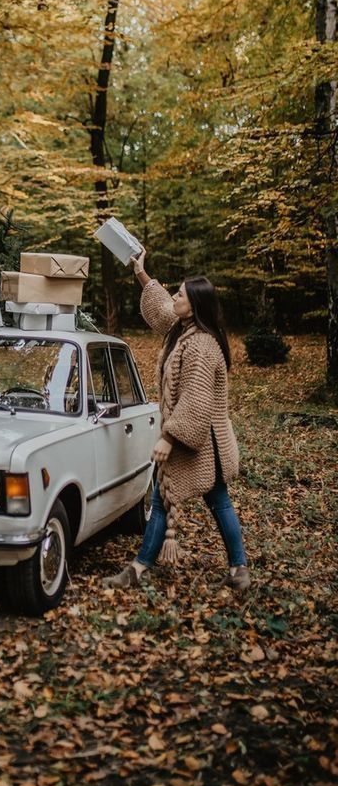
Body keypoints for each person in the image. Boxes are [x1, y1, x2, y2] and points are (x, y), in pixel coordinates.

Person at [103, 249, 250, 591]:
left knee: (202, 499)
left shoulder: (201, 345)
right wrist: (141, 272)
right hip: (195, 439)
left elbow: (195, 400)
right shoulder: (183, 329)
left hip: (202, 443)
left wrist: (168, 438)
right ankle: (143, 568)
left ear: (194, 305)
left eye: (180, 294)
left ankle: (142, 569)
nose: (173, 297)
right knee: (175, 498)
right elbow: (160, 309)